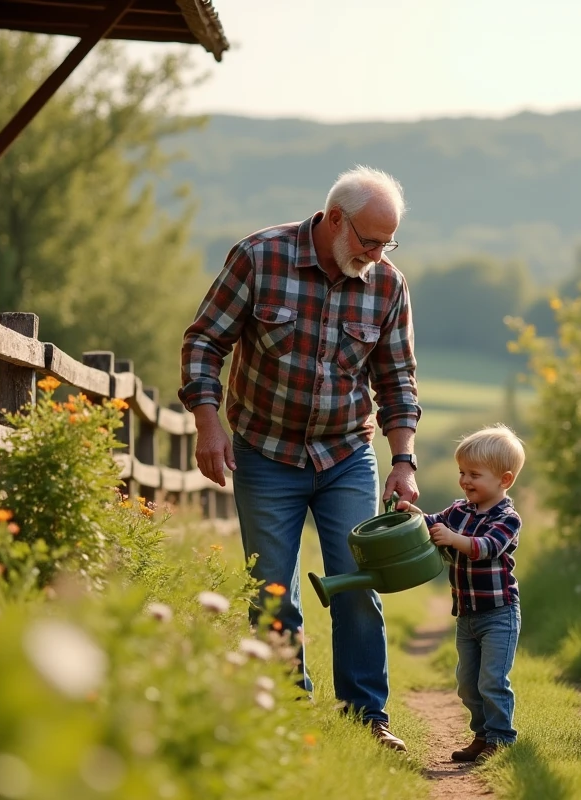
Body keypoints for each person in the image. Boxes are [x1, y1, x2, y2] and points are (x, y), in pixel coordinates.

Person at [179, 165, 421, 752]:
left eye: (388, 242)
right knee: (270, 588)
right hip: (264, 452)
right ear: (335, 218)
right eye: (369, 239)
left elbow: (397, 379)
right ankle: (285, 712)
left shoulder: (387, 285)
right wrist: (207, 422)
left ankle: (368, 717)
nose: (377, 252)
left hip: (344, 454)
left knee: (357, 582)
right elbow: (205, 341)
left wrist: (404, 460)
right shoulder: (260, 258)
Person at [397, 424, 525, 764]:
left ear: (505, 480)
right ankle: (482, 736)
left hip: (499, 613)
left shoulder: (508, 519)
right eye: (462, 473)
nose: (465, 481)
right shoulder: (459, 510)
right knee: (467, 683)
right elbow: (433, 523)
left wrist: (454, 540)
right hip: (467, 615)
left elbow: (487, 548)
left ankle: (501, 738)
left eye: (475, 474)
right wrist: (414, 516)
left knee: (492, 681)